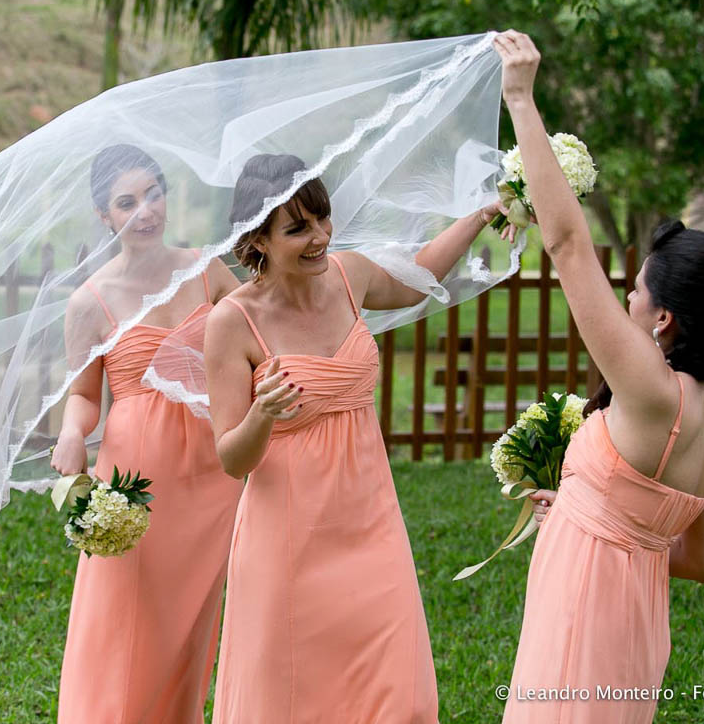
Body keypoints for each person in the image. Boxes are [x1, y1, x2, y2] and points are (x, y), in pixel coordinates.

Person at [492, 31, 704, 724]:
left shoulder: (649, 388)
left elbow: (568, 243)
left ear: (663, 319)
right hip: (635, 634)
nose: (627, 301)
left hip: (582, 619)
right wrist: (586, 517)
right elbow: (698, 562)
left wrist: (520, 98)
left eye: (636, 292)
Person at [204, 152, 511, 722]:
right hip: (288, 535)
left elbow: (420, 277)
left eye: (323, 218)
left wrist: (480, 214)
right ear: (258, 239)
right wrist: (262, 414)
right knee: (292, 698)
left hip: (371, 519)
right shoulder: (231, 322)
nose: (320, 236)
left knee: (401, 696)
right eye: (298, 228)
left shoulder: (349, 275)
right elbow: (231, 459)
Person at [51, 145, 244, 723]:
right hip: (139, 474)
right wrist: (69, 432)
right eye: (127, 202)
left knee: (197, 620)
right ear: (105, 215)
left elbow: (260, 333)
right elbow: (85, 395)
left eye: (153, 195)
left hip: (215, 467)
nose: (145, 212)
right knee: (128, 616)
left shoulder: (206, 268)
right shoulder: (90, 300)